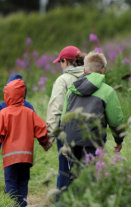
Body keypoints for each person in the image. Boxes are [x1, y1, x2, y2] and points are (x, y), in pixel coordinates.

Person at [0, 79, 51, 207]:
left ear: (7, 95)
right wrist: (44, 142)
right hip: (26, 157)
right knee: (23, 182)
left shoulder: (4, 113)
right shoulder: (29, 112)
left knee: (11, 182)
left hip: (10, 158)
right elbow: (41, 128)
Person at [61, 51, 125, 173]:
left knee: (75, 176)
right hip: (92, 139)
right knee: (92, 176)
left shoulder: (72, 89)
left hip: (72, 138)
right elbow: (116, 120)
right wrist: (119, 140)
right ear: (102, 70)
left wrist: (65, 143)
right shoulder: (108, 91)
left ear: (84, 70)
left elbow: (64, 117)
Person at [46, 45, 85, 191]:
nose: (60, 66)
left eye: (60, 62)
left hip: (67, 132)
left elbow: (56, 108)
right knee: (88, 168)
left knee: (65, 169)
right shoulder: (92, 76)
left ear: (66, 62)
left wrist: (51, 133)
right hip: (91, 130)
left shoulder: (63, 80)